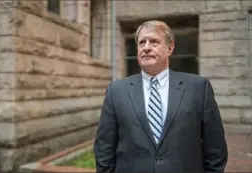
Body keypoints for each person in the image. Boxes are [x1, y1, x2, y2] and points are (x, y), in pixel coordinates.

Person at [93, 20, 228, 173]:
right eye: (142, 42)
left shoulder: (198, 88)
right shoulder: (116, 91)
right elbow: (104, 150)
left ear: (170, 48)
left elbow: (215, 150)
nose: (146, 47)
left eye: (154, 42)